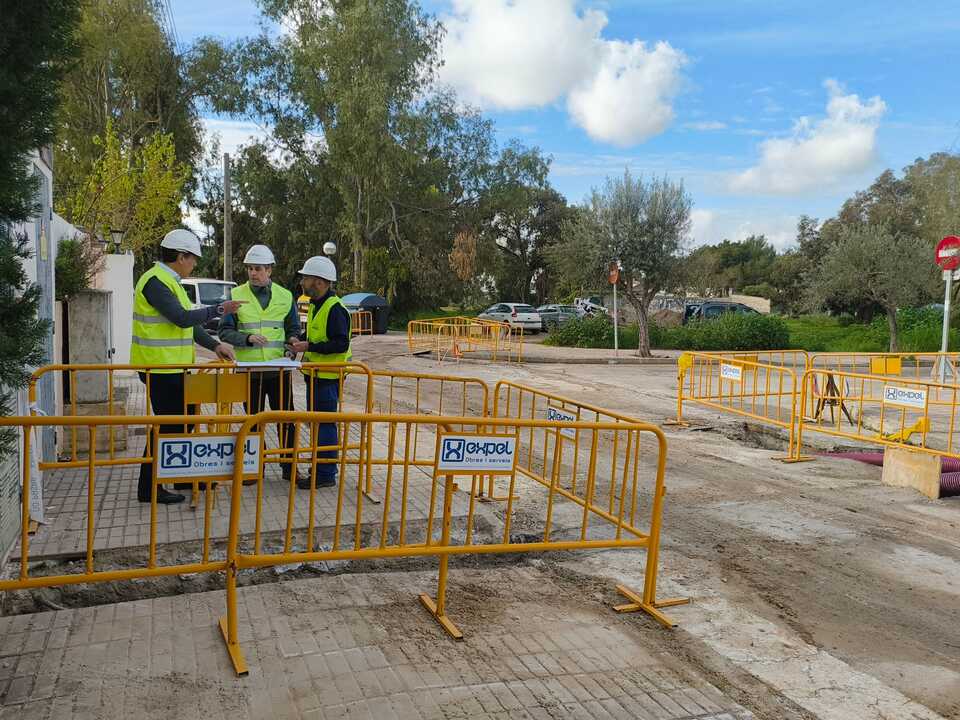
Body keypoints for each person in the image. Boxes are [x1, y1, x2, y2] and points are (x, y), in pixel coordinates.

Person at [132, 229, 243, 504]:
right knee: (167, 426)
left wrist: (215, 345)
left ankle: (181, 476)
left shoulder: (171, 282)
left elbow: (188, 326)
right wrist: (219, 309)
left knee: (187, 418)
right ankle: (148, 487)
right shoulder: (154, 282)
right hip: (159, 370)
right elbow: (182, 318)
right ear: (181, 257)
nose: (194, 264)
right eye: (193, 259)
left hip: (175, 369)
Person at [218, 244, 303, 482]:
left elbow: (293, 329)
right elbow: (224, 331)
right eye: (249, 269)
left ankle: (290, 468)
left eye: (258, 269)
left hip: (279, 371)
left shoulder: (286, 296)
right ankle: (254, 469)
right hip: (250, 372)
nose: (253, 273)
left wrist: (293, 341)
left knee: (287, 421)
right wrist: (246, 338)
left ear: (269, 270)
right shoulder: (236, 296)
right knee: (253, 422)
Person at [286, 256, 351, 489]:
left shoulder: (335, 309)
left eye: (307, 278)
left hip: (328, 377)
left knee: (324, 425)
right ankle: (322, 468)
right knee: (318, 424)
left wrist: (309, 347)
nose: (303, 282)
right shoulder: (317, 305)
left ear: (320, 282)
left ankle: (324, 474)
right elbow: (315, 336)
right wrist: (299, 341)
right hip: (315, 375)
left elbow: (341, 343)